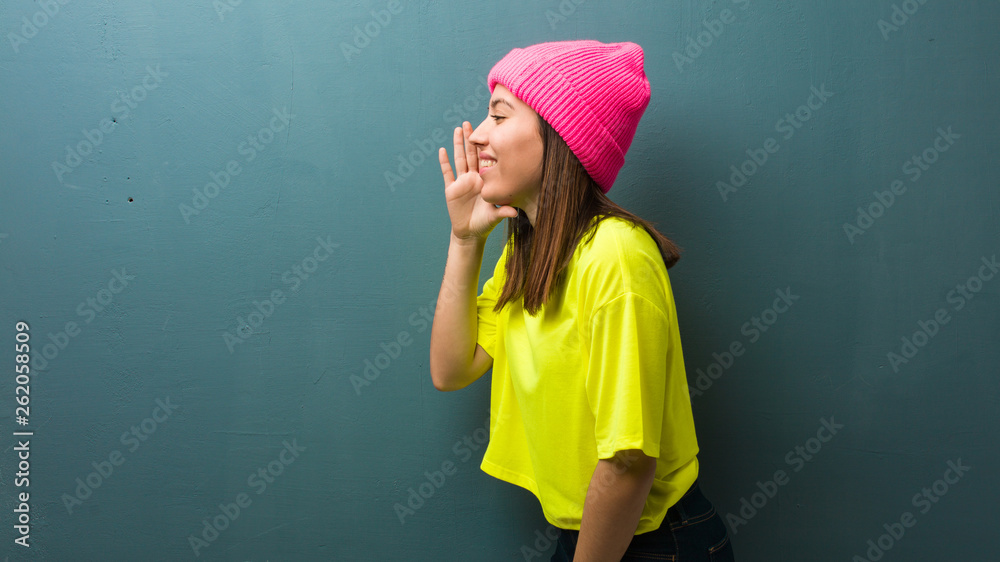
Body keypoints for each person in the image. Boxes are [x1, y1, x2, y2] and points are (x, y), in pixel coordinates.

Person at [430, 40, 735, 561]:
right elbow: (451, 369)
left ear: (560, 135)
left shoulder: (615, 255)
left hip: (658, 542)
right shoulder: (528, 251)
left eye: (499, 115)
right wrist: (465, 241)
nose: (477, 134)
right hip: (590, 532)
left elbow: (627, 463)